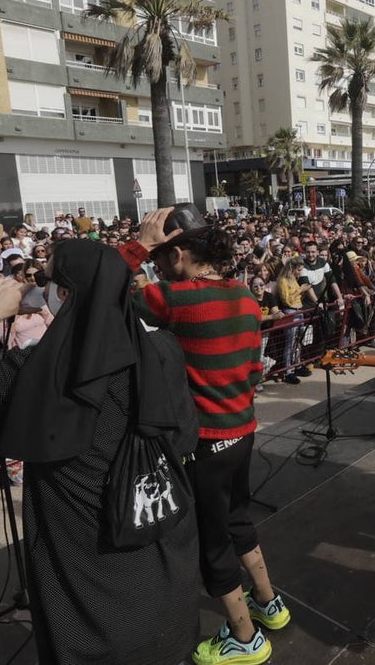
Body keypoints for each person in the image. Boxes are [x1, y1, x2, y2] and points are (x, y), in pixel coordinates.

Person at [0, 247, 201, 665]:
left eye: (45, 280)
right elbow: (184, 437)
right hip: (166, 561)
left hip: (89, 587)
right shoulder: (164, 350)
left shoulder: (35, 371)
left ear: (64, 295)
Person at [123, 206, 290, 665]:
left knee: (212, 540)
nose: (156, 268)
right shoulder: (245, 295)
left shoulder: (175, 298)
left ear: (178, 253)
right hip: (243, 429)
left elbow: (103, 293)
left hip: (207, 441)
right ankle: (268, 602)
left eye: (160, 259)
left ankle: (244, 637)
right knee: (237, 518)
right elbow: (255, 369)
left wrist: (137, 247)